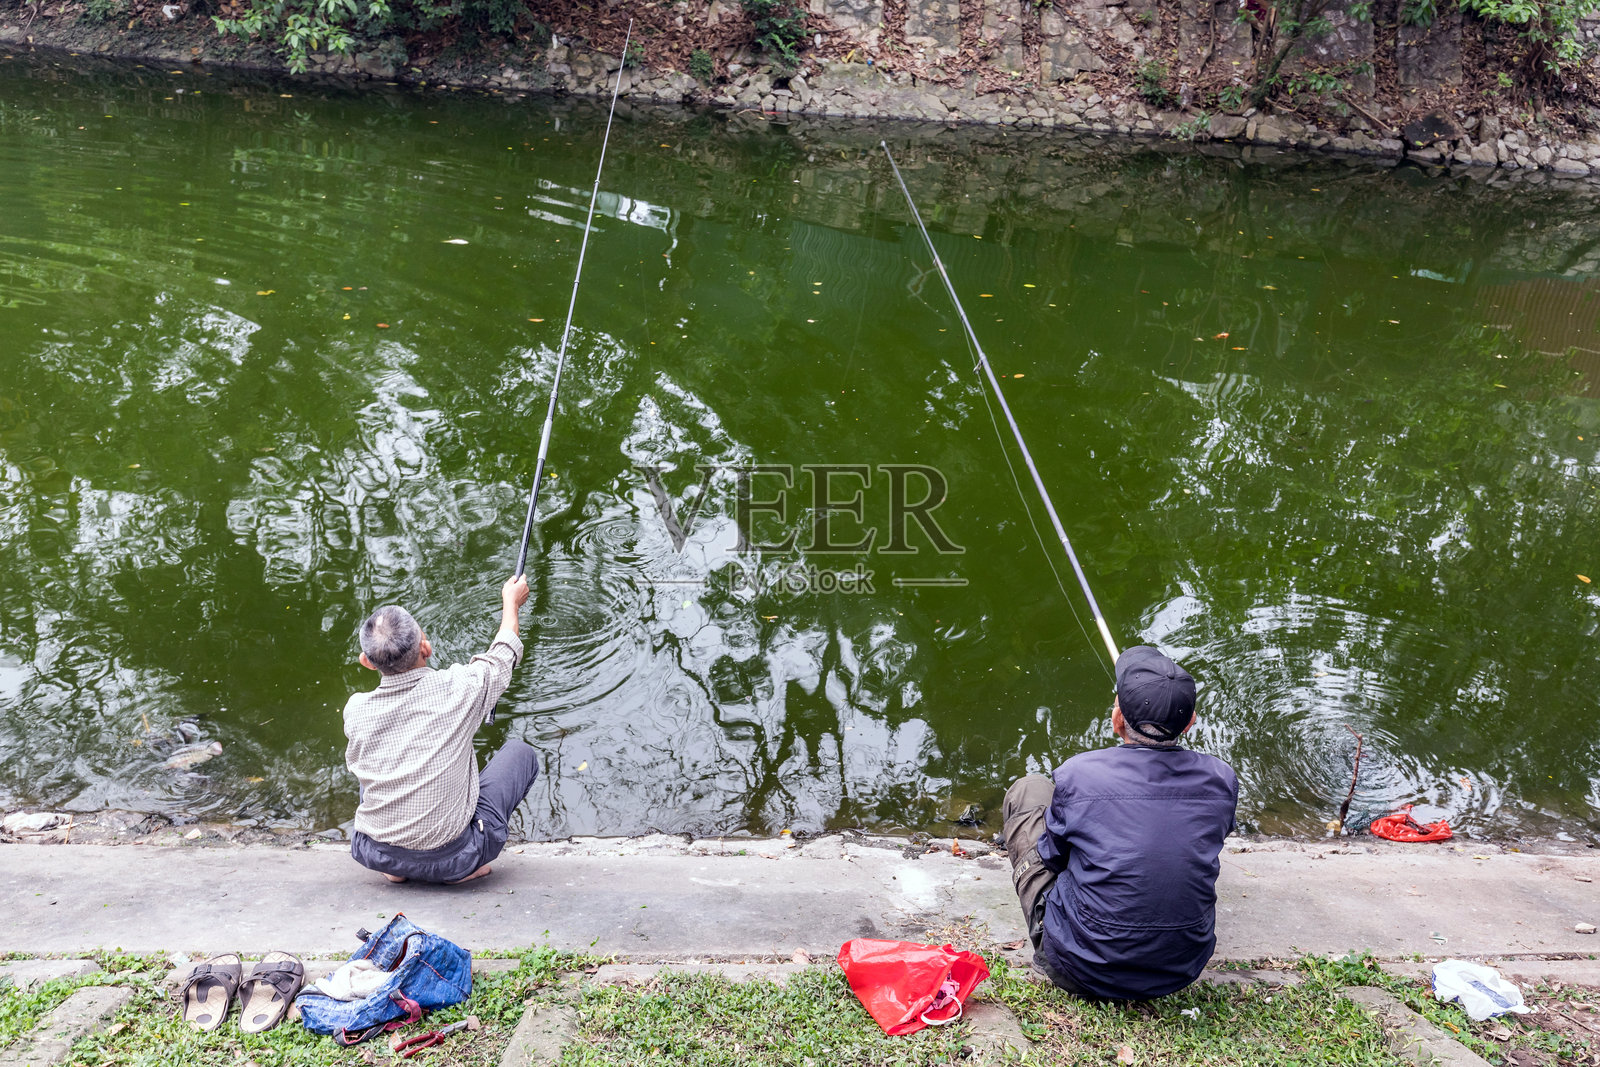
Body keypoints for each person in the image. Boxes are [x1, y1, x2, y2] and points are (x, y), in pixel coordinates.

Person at [1000, 645, 1238, 1000]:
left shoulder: (1078, 774)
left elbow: (1051, 857)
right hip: (1180, 968)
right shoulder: (1222, 779)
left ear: (1116, 720)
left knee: (1029, 789)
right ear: (1190, 722)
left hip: (1080, 969)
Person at [343, 573, 538, 885]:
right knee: (520, 753)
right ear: (427, 648)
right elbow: (504, 654)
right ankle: (459, 871)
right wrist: (510, 603)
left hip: (374, 851)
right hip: (456, 856)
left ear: (367, 662)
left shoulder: (355, 710)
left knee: (372, 763)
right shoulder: (460, 688)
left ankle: (397, 868)